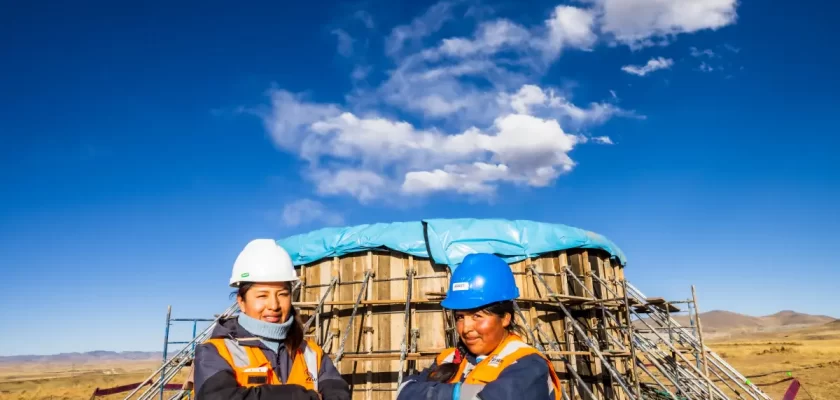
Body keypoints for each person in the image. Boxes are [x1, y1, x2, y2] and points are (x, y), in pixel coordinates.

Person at [194, 239, 351, 400]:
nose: (274, 305)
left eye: (282, 294)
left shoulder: (311, 353)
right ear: (241, 301)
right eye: (262, 296)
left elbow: (339, 394)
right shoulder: (215, 352)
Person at [396, 253, 563, 400]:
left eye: (477, 316)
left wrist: (437, 393)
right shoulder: (448, 358)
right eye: (460, 317)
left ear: (505, 318)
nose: (465, 328)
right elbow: (404, 390)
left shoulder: (527, 364)